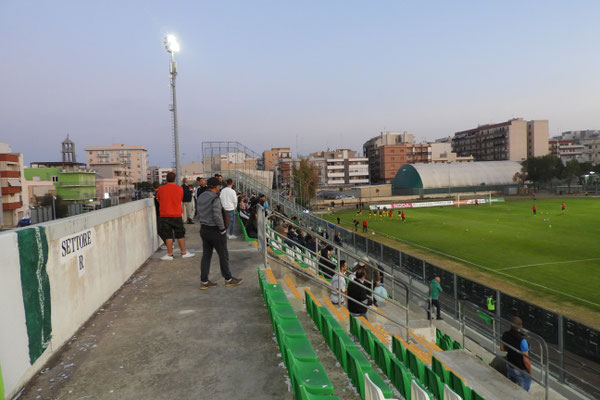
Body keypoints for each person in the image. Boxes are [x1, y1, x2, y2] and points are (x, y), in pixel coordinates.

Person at [196, 177, 243, 289]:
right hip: (215, 230)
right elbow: (217, 215)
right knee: (223, 255)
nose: (219, 188)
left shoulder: (201, 196)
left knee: (206, 256)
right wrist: (222, 229)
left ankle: (204, 281)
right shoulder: (215, 198)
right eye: (219, 186)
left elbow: (198, 212)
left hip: (204, 229)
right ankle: (228, 279)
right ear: (216, 186)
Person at [156, 172, 195, 261]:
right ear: (174, 179)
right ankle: (183, 252)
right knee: (180, 234)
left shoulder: (161, 189)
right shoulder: (179, 189)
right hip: (176, 214)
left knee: (168, 235)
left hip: (164, 215)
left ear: (166, 179)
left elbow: (159, 199)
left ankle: (169, 254)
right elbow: (181, 198)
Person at [501, 317, 532, 391]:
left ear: (510, 325)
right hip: (520, 370)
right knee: (523, 391)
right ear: (521, 326)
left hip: (510, 365)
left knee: (511, 388)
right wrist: (530, 372)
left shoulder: (505, 334)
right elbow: (526, 360)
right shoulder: (523, 340)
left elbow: (502, 348)